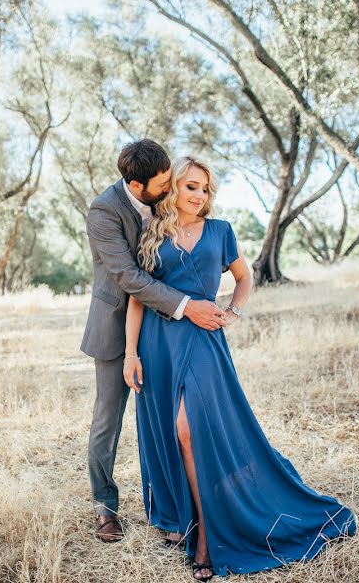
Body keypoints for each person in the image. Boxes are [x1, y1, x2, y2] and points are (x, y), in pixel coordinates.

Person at [123, 156, 356, 580]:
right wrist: (130, 353)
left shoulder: (221, 231)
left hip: (204, 338)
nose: (199, 195)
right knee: (172, 433)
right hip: (158, 343)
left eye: (206, 189)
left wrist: (233, 312)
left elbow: (245, 278)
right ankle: (187, 517)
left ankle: (210, 535)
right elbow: (138, 295)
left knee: (191, 431)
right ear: (173, 186)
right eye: (191, 186)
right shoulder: (151, 234)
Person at [81, 140, 227, 543]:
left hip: (169, 336)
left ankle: (183, 507)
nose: (169, 188)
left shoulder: (168, 202)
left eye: (170, 180)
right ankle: (105, 508)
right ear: (136, 183)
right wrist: (187, 305)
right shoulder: (104, 211)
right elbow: (129, 277)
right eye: (162, 184)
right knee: (107, 422)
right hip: (117, 328)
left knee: (173, 424)